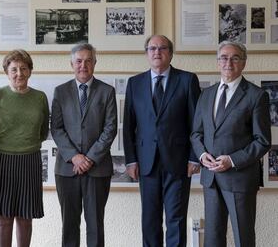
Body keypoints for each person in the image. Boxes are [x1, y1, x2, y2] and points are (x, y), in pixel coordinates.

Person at [190, 41, 271, 247]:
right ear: (218, 62)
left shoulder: (256, 95)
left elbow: (262, 141)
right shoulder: (206, 94)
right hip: (211, 178)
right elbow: (196, 133)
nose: (229, 62)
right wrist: (201, 155)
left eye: (235, 58)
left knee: (243, 237)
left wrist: (232, 160)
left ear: (243, 63)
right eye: (224, 58)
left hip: (240, 178)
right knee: (212, 239)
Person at [123, 35, 201, 247]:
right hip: (146, 163)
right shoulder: (134, 83)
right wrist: (130, 160)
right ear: (146, 53)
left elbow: (197, 123)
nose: (157, 52)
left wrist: (195, 157)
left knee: (176, 220)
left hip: (178, 163)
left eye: (162, 48)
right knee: (150, 220)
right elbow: (128, 126)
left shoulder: (187, 80)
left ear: (171, 53)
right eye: (152, 48)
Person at [0, 49, 49, 247]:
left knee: (26, 217)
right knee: (3, 217)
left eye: (24, 68)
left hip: (30, 160)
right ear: (6, 72)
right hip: (1, 161)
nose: (19, 73)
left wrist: (26, 143)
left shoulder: (40, 98)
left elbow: (43, 131)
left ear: (30, 71)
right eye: (14, 69)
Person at [51, 43, 117, 247]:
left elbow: (110, 128)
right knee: (69, 224)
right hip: (67, 169)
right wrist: (75, 157)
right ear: (72, 64)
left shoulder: (107, 91)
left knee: (95, 224)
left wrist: (89, 158)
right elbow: (56, 128)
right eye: (79, 61)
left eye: (88, 60)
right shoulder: (60, 92)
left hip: (97, 169)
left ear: (95, 63)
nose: (83, 65)